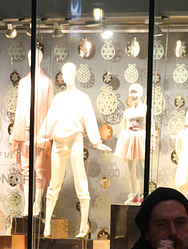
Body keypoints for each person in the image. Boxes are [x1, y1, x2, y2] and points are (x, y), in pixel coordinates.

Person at [37, 62, 111, 238]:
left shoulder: (82, 97)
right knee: (54, 182)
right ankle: (46, 225)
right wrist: (40, 136)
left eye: (70, 71)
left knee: (80, 180)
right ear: (62, 75)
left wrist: (96, 141)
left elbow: (90, 120)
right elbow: (50, 119)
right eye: (64, 72)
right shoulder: (58, 98)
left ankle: (83, 225)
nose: (67, 74)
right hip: (58, 140)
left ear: (76, 73)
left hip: (75, 138)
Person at [11, 49, 54, 217]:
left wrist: (46, 134)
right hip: (24, 130)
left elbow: (51, 111)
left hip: (40, 132)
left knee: (40, 169)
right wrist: (16, 131)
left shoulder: (47, 83)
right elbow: (19, 107)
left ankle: (37, 205)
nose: (31, 59)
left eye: (35, 56)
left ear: (41, 59)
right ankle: (28, 205)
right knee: (27, 170)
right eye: (29, 56)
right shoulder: (23, 83)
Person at [115, 83, 146, 205]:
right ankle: (134, 193)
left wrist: (151, 144)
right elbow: (123, 128)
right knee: (131, 169)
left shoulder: (146, 109)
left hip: (141, 139)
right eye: (131, 92)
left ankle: (143, 194)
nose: (133, 95)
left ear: (141, 93)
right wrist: (123, 147)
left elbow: (152, 127)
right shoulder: (127, 112)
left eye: (136, 92)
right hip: (129, 140)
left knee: (141, 168)